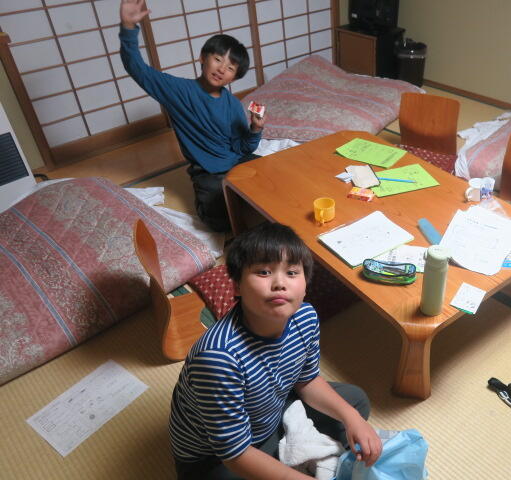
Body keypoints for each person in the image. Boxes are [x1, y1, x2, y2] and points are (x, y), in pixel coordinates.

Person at [169, 222, 382, 479]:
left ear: (305, 284)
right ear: (236, 286)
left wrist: (351, 417)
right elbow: (235, 455)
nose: (280, 283)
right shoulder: (218, 358)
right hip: (217, 457)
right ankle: (290, 454)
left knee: (355, 402)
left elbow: (306, 380)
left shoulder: (305, 317)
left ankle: (288, 450)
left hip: (273, 412)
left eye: (292, 272)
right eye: (264, 272)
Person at [119, 0, 264, 232]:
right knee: (221, 220)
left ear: (234, 77)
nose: (221, 69)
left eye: (230, 68)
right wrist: (128, 27)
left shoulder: (233, 105)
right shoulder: (178, 90)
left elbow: (242, 148)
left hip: (236, 163)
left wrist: (255, 129)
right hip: (207, 172)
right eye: (218, 59)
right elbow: (137, 68)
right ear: (203, 58)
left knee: (273, 176)